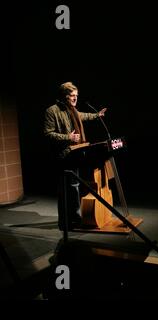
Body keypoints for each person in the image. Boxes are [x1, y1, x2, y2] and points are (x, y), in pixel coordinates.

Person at [44, 82, 107, 230]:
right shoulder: (52, 111)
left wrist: (97, 115)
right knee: (66, 190)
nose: (75, 99)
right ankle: (65, 223)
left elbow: (83, 116)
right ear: (64, 96)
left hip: (76, 153)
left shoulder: (72, 110)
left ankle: (75, 218)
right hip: (63, 155)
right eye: (72, 96)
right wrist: (68, 138)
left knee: (75, 187)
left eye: (76, 96)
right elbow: (47, 134)